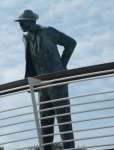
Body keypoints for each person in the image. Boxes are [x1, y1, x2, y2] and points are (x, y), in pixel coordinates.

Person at [15, 9, 77, 150]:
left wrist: (62, 66)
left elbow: (71, 43)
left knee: (63, 119)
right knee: (45, 122)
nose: (20, 26)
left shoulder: (48, 31)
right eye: (19, 23)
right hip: (41, 84)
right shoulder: (25, 37)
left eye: (22, 22)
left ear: (32, 21)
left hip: (57, 80)